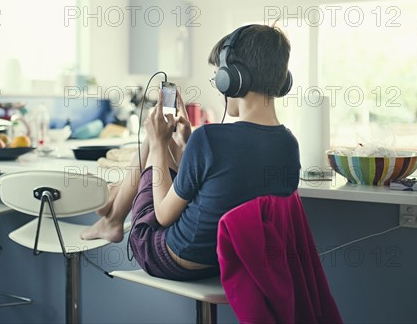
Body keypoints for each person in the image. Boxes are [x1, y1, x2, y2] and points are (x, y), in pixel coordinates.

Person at [81, 24, 301, 281]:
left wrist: (159, 143)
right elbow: (215, 189)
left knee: (157, 137)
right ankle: (113, 212)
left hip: (171, 259)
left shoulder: (209, 138)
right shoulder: (289, 144)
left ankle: (112, 217)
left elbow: (162, 216)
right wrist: (187, 145)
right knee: (169, 137)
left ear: (231, 79)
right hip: (230, 262)